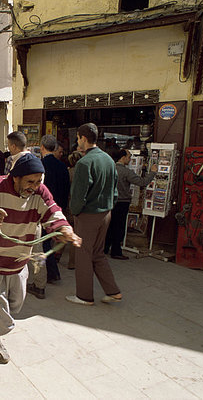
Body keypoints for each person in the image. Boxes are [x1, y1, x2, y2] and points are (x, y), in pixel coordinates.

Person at [0, 153, 81, 363]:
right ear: (15, 177)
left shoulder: (40, 191)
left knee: (15, 303)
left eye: (38, 182)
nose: (34, 186)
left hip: (19, 261)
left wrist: (65, 229)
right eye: (30, 181)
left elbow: (52, 211)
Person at [68, 123, 122, 306]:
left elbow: (78, 195)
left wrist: (74, 213)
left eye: (77, 138)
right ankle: (113, 291)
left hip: (88, 215)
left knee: (83, 255)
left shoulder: (84, 163)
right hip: (106, 213)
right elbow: (115, 191)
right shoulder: (108, 159)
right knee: (98, 253)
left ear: (83, 138)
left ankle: (84, 296)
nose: (77, 142)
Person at [27, 135, 71, 299]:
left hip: (42, 212)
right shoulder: (62, 166)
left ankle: (42, 282)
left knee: (40, 246)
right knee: (46, 243)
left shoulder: (40, 166)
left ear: (42, 147)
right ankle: (52, 274)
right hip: (57, 210)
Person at [104, 148, 157, 260]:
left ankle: (105, 248)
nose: (130, 159)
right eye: (128, 157)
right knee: (119, 227)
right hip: (122, 202)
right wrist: (152, 172)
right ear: (123, 158)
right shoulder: (125, 171)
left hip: (109, 201)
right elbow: (142, 182)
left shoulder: (108, 168)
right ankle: (116, 251)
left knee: (109, 226)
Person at [65, 150, 84, 270]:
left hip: (68, 203)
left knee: (66, 230)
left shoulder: (69, 172)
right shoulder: (81, 172)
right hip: (77, 205)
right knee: (75, 233)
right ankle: (72, 262)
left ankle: (57, 255)